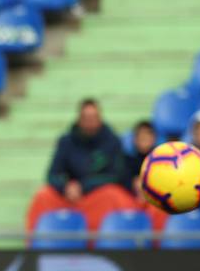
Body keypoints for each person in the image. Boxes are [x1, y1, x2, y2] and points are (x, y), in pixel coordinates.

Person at [27, 99, 141, 233]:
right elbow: (52, 174)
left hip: (97, 195)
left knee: (112, 194)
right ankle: (38, 243)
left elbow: (116, 175)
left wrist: (84, 186)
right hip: (71, 196)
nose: (90, 122)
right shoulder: (66, 142)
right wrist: (66, 187)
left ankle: (105, 240)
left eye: (94, 117)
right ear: (79, 119)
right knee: (44, 194)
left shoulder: (112, 141)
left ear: (100, 118)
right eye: (86, 117)